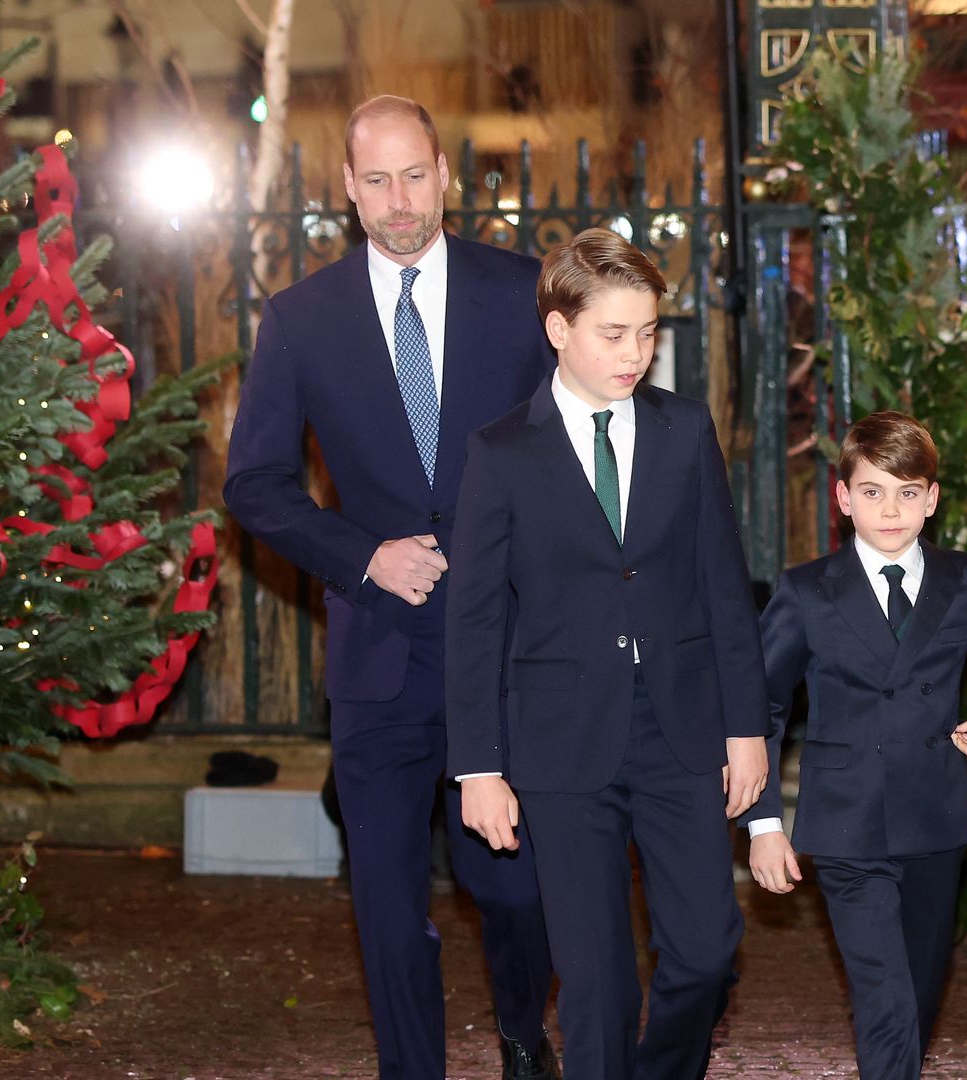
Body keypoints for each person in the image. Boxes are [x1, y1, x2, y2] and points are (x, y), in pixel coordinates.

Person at [223, 96, 557, 1080]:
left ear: (446, 175)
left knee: (514, 891)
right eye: (378, 180)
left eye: (415, 176)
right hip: (378, 656)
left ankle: (523, 1036)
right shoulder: (301, 319)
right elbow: (254, 482)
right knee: (386, 903)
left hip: (505, 653)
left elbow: (573, 453)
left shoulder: (524, 293)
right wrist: (361, 555)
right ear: (348, 188)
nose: (399, 200)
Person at [444, 226, 769, 1080]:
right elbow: (474, 617)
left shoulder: (683, 429)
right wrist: (478, 766)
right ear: (559, 329)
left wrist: (747, 725)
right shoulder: (501, 451)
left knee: (706, 951)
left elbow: (724, 587)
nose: (637, 354)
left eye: (649, 333)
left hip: (681, 729)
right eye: (614, 334)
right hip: (560, 741)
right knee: (594, 983)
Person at [742, 411, 967, 1080]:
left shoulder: (964, 578)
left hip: (935, 815)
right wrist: (763, 824)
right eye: (871, 492)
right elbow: (762, 708)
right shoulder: (805, 592)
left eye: (906, 492)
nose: (889, 510)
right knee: (883, 995)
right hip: (845, 825)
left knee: (918, 997)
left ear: (931, 498)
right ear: (843, 499)